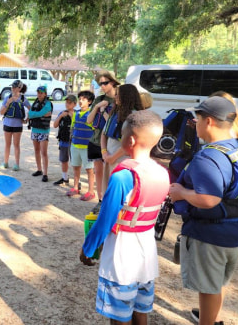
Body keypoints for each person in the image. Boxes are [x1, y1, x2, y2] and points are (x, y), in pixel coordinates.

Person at [169, 96, 238, 325]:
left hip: (211, 234)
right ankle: (214, 318)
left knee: (208, 288)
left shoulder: (208, 157)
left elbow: (208, 199)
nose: (195, 123)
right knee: (217, 281)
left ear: (208, 121)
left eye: (197, 119)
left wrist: (181, 192)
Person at [80, 110, 170, 325]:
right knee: (141, 309)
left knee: (119, 315)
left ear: (129, 140)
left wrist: (88, 248)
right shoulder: (161, 172)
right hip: (147, 252)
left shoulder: (122, 176)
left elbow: (106, 220)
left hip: (122, 253)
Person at [101, 84, 144, 193]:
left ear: (126, 97)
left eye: (118, 95)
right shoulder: (115, 113)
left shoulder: (135, 117)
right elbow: (104, 134)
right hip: (109, 157)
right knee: (108, 189)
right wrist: (104, 152)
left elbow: (130, 143)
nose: (115, 97)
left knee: (119, 192)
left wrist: (113, 157)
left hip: (123, 160)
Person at [86, 71, 119, 211]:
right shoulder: (99, 99)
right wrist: (97, 107)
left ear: (112, 82)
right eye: (100, 83)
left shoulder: (118, 99)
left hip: (110, 142)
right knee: (98, 172)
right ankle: (100, 200)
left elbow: (113, 124)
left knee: (111, 173)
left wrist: (105, 111)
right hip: (95, 140)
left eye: (105, 83)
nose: (102, 86)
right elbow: (89, 120)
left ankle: (109, 201)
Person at [67, 90, 96, 201]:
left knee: (89, 169)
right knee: (76, 167)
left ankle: (91, 191)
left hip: (86, 147)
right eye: (80, 99)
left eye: (83, 99)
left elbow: (94, 130)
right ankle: (75, 187)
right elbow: (73, 127)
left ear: (89, 102)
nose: (80, 101)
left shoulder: (91, 114)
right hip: (75, 146)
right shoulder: (76, 113)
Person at [0, 80, 31, 171]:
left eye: (14, 87)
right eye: (12, 87)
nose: (12, 88)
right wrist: (8, 103)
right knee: (7, 144)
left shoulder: (23, 99)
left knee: (16, 145)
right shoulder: (7, 97)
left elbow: (31, 109)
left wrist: (27, 120)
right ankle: (5, 162)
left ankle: (17, 164)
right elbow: (1, 112)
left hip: (18, 125)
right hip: (7, 124)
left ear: (19, 88)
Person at [28, 86, 53, 182]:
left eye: (41, 93)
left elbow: (37, 113)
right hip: (35, 130)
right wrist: (40, 114)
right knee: (36, 150)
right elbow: (30, 114)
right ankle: (39, 169)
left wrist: (36, 114)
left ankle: (45, 173)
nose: (39, 94)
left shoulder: (48, 104)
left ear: (45, 94)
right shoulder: (35, 102)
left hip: (44, 131)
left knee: (44, 152)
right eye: (38, 92)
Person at [52, 94, 77, 185]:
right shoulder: (62, 113)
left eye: (70, 103)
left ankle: (76, 181)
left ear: (74, 104)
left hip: (74, 142)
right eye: (66, 102)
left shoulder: (77, 114)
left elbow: (77, 126)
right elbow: (55, 125)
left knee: (75, 162)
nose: (67, 104)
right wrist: (60, 116)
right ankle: (64, 177)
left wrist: (71, 116)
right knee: (63, 160)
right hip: (63, 141)